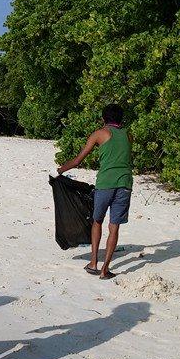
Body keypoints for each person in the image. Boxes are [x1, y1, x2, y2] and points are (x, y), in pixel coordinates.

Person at [56, 104, 133, 280]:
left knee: (97, 221)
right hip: (125, 184)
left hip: (105, 183)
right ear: (121, 119)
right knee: (114, 227)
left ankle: (93, 263)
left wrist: (61, 170)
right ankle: (105, 269)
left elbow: (77, 161)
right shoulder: (128, 135)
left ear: (104, 118)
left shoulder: (100, 134)